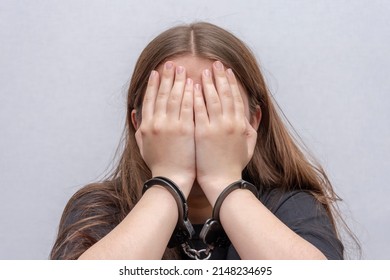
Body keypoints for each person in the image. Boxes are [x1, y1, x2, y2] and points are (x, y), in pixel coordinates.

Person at [50, 22, 352, 260]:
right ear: (139, 124)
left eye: (213, 106)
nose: (194, 126)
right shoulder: (98, 209)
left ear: (252, 122)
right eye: (173, 108)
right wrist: (170, 180)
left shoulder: (291, 207)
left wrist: (223, 181)